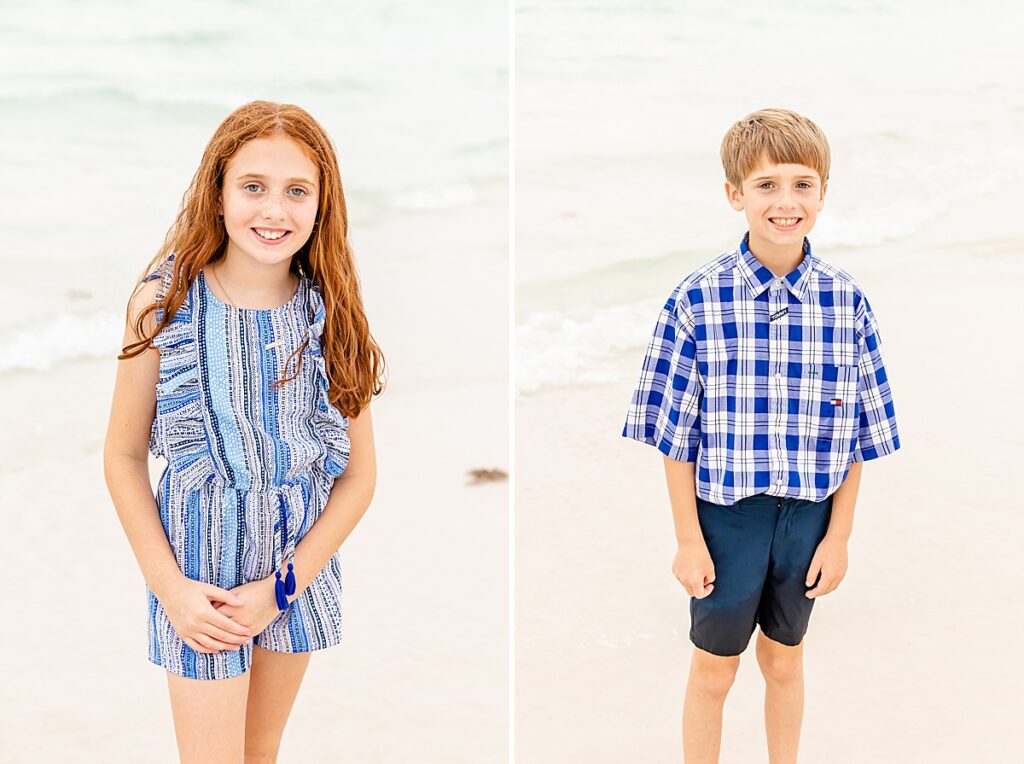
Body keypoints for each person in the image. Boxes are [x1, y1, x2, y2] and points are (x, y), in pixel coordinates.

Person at [103, 100, 385, 763]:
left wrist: (279, 591)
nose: (273, 210)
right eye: (253, 187)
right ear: (219, 191)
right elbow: (120, 456)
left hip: (293, 580)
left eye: (296, 191)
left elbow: (360, 479)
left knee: (259, 754)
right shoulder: (163, 301)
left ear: (322, 203)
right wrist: (172, 592)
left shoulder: (332, 313)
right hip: (196, 583)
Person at [622, 108, 900, 764]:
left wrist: (840, 537)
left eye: (803, 184)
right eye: (767, 185)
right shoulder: (696, 301)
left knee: (784, 661)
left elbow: (861, 435)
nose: (786, 201)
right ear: (735, 195)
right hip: (726, 521)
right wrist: (688, 539)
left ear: (824, 193)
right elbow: (675, 437)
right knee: (715, 671)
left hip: (810, 519)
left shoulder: (847, 302)